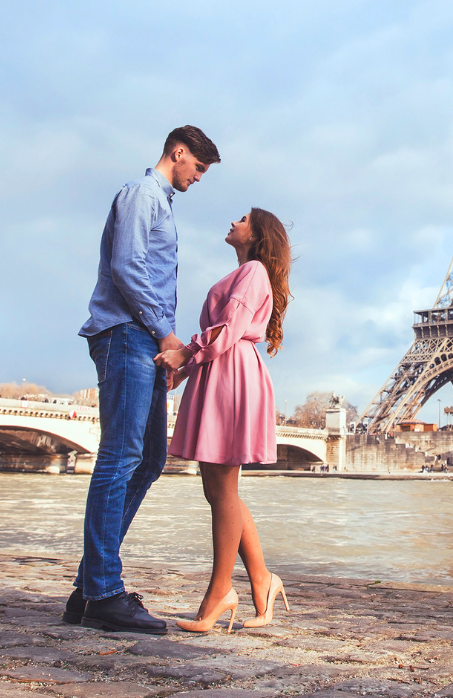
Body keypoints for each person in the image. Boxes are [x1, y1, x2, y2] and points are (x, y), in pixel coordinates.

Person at [66, 126, 220, 634]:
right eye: (199, 167)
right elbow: (128, 267)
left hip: (144, 342)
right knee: (120, 457)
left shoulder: (161, 203)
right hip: (128, 334)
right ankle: (104, 592)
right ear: (179, 152)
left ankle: (89, 588)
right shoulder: (141, 195)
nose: (199, 178)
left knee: (150, 459)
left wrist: (164, 349)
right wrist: (166, 335)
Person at [155, 207, 292, 633]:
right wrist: (185, 368)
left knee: (222, 490)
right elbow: (225, 332)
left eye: (243, 218)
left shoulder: (253, 271)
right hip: (223, 370)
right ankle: (262, 580)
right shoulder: (249, 272)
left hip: (231, 374)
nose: (234, 222)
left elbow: (229, 327)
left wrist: (184, 354)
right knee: (219, 490)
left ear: (258, 235)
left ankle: (219, 593)